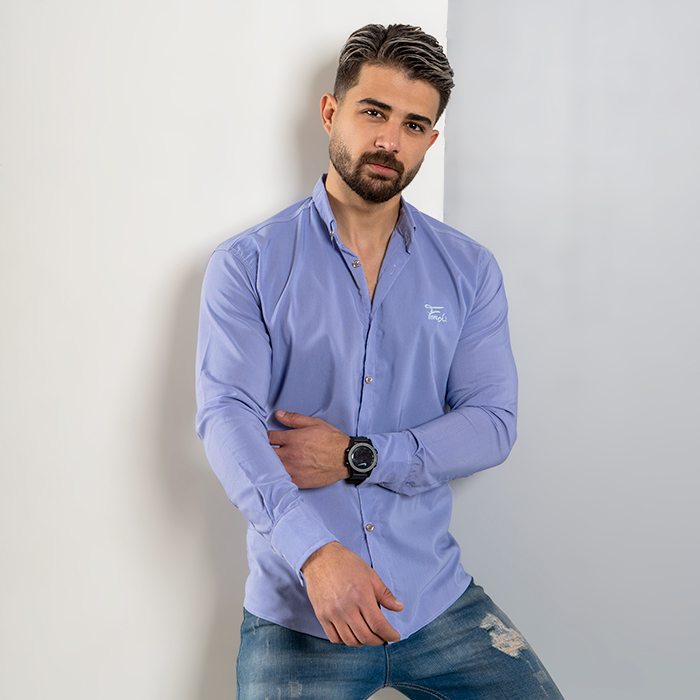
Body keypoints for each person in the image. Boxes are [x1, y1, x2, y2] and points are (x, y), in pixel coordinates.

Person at [196, 23, 564, 700]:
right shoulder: (249, 264)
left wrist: (358, 456)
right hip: (302, 610)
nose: (390, 140)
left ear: (431, 139)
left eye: (413, 124)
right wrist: (313, 552)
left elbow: (492, 422)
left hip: (435, 601)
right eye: (374, 112)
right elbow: (226, 418)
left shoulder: (469, 270)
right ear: (330, 111)